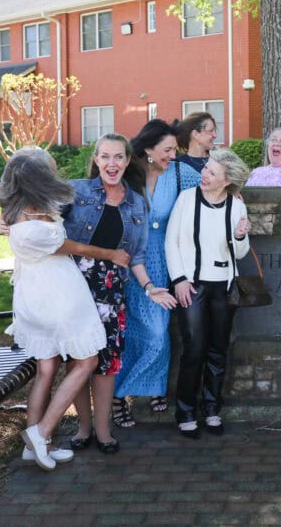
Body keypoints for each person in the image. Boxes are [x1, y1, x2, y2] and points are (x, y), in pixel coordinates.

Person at [0, 147, 111, 471]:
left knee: (47, 368)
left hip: (37, 296)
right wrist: (111, 254)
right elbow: (70, 247)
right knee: (87, 359)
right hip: (56, 296)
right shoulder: (28, 226)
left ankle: (35, 448)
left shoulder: (21, 208)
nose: (54, 174)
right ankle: (42, 431)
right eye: (48, 170)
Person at [63, 134, 175, 454]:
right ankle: (83, 428)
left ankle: (103, 430)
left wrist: (150, 287)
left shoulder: (136, 203)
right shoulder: (77, 191)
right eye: (105, 157)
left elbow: (136, 257)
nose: (112, 164)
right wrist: (9, 219)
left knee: (107, 362)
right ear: (96, 159)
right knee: (78, 362)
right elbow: (38, 211)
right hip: (74, 285)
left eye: (118, 158)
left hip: (112, 290)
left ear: (127, 162)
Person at [113, 119, 202, 427]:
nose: (172, 155)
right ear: (148, 149)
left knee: (156, 330)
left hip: (162, 262)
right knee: (125, 330)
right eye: (166, 150)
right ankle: (119, 397)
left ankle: (146, 386)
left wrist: (236, 197)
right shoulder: (127, 174)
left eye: (174, 149)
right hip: (126, 262)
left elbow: (213, 187)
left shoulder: (180, 173)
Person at [165, 149, 252, 437]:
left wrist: (240, 235)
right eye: (206, 168)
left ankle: (212, 407)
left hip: (224, 287)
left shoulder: (236, 206)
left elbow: (239, 252)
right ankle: (186, 410)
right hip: (192, 285)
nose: (204, 174)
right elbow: (172, 241)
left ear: (226, 181)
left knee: (218, 349)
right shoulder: (187, 199)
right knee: (193, 349)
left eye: (212, 172)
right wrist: (178, 279)